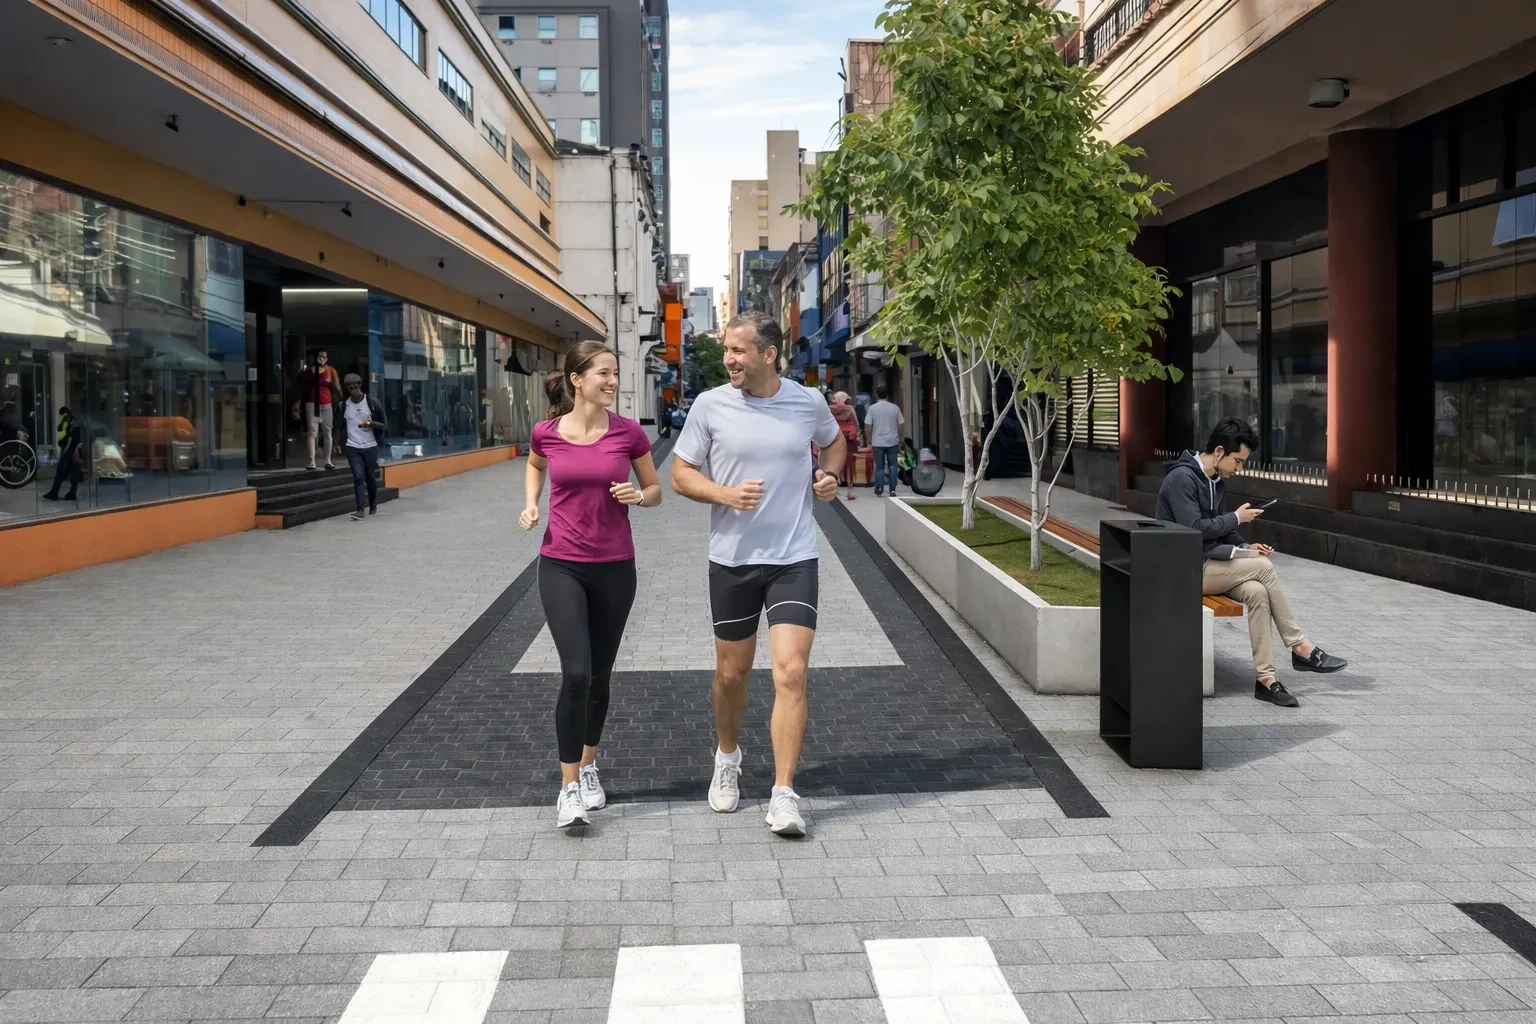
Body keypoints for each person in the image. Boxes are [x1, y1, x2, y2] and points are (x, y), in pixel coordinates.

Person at [670, 311, 847, 837]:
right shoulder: (710, 405)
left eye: (739, 350)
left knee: (791, 671)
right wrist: (725, 494)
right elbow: (680, 475)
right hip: (732, 559)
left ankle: (784, 794)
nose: (729, 358)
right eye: (727, 349)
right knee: (733, 674)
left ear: (769, 355)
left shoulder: (807, 401)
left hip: (794, 556)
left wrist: (830, 473)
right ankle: (727, 756)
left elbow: (833, 442)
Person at [520, 342, 660, 829]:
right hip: (561, 564)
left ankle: (590, 764)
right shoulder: (546, 432)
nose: (613, 381)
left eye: (616, 373)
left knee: (600, 676)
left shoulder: (628, 433)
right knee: (576, 673)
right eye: (603, 373)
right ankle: (568, 787)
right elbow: (536, 464)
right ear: (576, 379)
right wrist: (532, 503)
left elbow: (656, 489)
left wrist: (638, 496)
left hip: (616, 567)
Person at [1156, 418, 1347, 707]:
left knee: (1258, 592)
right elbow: (1193, 528)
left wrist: (1245, 545)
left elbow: (1221, 529)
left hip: (1208, 565)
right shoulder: (1182, 478)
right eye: (1238, 461)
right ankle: (1300, 647)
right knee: (1263, 567)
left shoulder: (1216, 481)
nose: (1240, 468)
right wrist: (1236, 517)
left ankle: (1266, 681)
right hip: (1180, 570)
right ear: (1219, 451)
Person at [340, 374, 386, 521]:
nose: (352, 389)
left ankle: (372, 502)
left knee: (370, 477)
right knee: (358, 478)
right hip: (353, 446)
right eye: (349, 387)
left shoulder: (372, 402)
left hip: (370, 445)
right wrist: (337, 444)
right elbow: (339, 426)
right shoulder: (343, 405)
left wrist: (371, 424)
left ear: (360, 385)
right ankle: (359, 509)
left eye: (355, 386)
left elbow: (384, 424)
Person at [296, 350, 341, 471]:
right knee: (312, 432)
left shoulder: (330, 370)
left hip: (326, 404)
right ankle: (311, 460)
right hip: (312, 404)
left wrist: (341, 398)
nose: (322, 358)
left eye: (325, 356)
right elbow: (302, 385)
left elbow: (337, 386)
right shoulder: (309, 371)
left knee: (327, 432)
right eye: (320, 356)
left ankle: (328, 460)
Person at [865, 385, 905, 496]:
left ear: (876, 395)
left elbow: (868, 425)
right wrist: (900, 438)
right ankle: (892, 490)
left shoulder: (872, 408)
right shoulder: (895, 408)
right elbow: (901, 424)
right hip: (892, 441)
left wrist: (868, 439)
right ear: (888, 395)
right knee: (893, 466)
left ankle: (879, 488)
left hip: (877, 442)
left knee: (880, 467)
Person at [43, 407, 84, 502]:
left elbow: (60, 428)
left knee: (61, 470)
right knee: (74, 471)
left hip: (70, 448)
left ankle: (54, 493)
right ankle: (72, 493)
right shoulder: (75, 419)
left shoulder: (67, 419)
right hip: (77, 448)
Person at [829, 391, 861, 500]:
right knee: (849, 465)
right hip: (848, 440)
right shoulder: (849, 409)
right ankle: (850, 491)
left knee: (834, 463)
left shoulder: (829, 409)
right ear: (844, 399)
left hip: (834, 439)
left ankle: (834, 488)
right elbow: (856, 422)